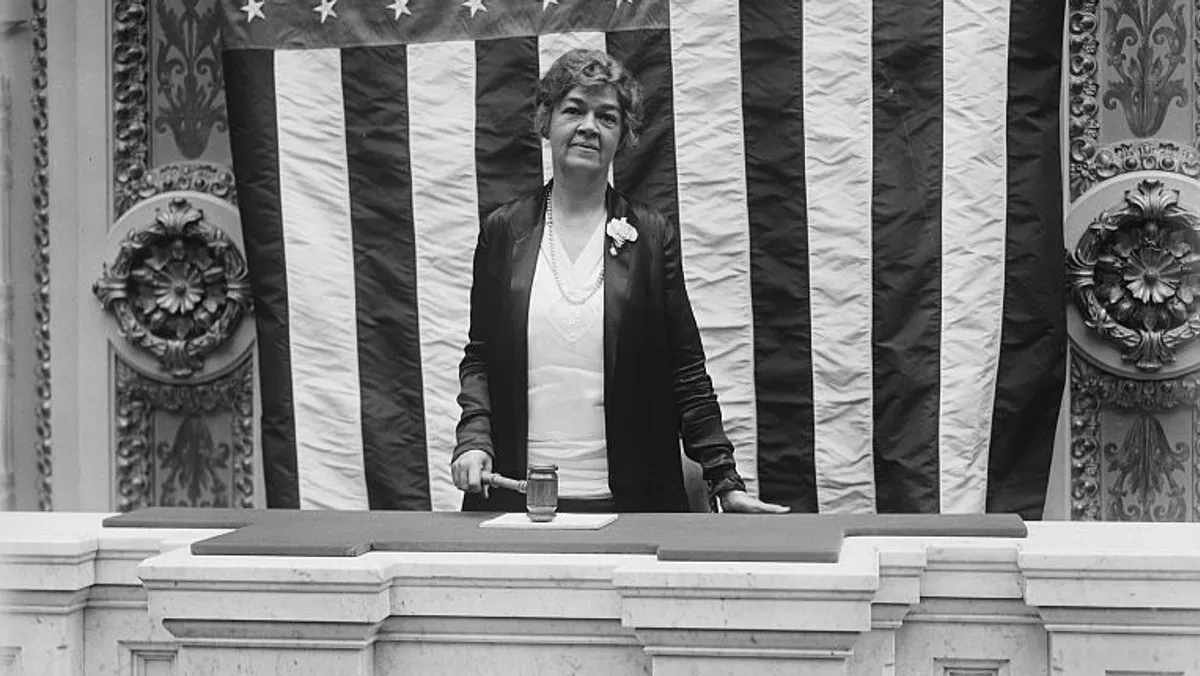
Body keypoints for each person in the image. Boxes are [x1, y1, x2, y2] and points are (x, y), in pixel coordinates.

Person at [451, 49, 787, 514]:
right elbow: (480, 356)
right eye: (574, 110)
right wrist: (473, 438)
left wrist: (724, 480)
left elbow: (686, 369)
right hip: (516, 495)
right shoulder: (504, 231)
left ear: (622, 135)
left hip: (633, 504)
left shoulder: (651, 234)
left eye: (606, 116)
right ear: (546, 120)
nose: (589, 126)